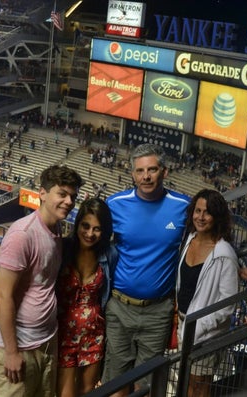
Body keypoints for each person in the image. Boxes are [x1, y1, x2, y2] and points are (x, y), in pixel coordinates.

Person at [0, 165, 83, 397]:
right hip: (18, 348)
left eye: (73, 196)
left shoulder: (57, 229)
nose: (69, 201)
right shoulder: (22, 235)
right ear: (43, 193)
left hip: (46, 343)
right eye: (62, 194)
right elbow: (3, 294)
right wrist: (11, 352)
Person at [102, 143, 191, 396]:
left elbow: (211, 232)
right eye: (140, 171)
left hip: (158, 312)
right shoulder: (114, 204)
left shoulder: (182, 206)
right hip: (119, 308)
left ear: (164, 171)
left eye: (152, 169)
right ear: (132, 174)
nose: (146, 176)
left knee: (145, 386)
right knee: (116, 383)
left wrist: (236, 261)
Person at [176, 189, 240, 397]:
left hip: (205, 333)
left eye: (207, 212)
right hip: (183, 324)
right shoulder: (189, 239)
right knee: (186, 382)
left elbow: (228, 304)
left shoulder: (224, 254)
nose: (200, 217)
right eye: (198, 210)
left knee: (199, 385)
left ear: (217, 217)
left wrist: (200, 326)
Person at [56, 198, 117, 397]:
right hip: (63, 332)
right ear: (78, 223)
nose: (90, 234)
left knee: (88, 392)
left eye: (97, 229)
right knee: (65, 393)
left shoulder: (109, 255)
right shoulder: (63, 249)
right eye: (86, 226)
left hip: (94, 332)